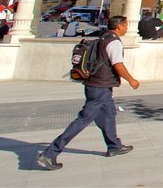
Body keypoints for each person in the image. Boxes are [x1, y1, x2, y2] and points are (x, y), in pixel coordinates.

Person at [36, 16, 139, 171]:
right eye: (126, 25)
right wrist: (131, 80)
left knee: (109, 113)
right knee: (83, 120)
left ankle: (114, 146)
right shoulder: (114, 42)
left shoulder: (102, 37)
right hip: (100, 87)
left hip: (95, 84)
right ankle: (51, 152)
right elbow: (118, 65)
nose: (127, 28)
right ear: (119, 26)